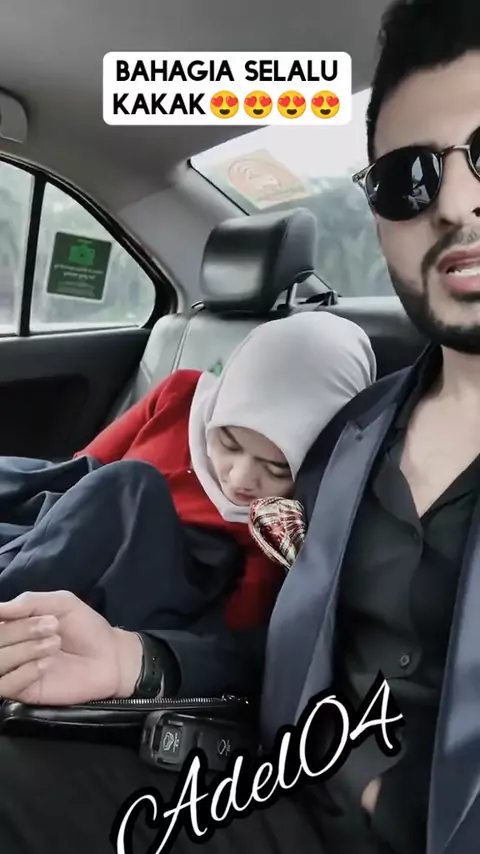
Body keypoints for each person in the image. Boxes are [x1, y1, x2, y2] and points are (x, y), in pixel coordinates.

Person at [0, 1, 478, 852]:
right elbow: (279, 655)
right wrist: (138, 661)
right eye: (408, 176)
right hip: (271, 796)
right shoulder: (353, 438)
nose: (453, 203)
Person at [0, 311, 375, 649]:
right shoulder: (183, 396)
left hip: (157, 593)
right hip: (75, 534)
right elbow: (81, 472)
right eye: (227, 443)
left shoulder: (282, 520)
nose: (240, 478)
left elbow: (236, 635)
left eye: (277, 468)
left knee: (131, 485)